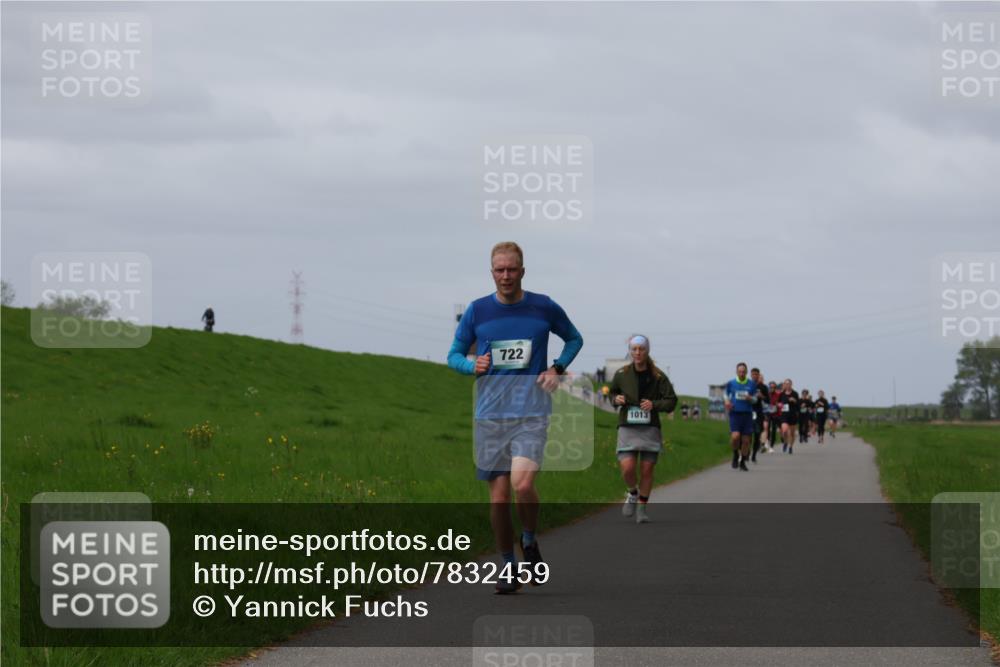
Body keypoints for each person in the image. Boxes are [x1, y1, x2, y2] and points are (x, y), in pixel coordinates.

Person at [447, 242, 583, 594]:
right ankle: (508, 565)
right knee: (498, 498)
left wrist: (557, 368)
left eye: (511, 269)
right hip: (490, 416)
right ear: (491, 272)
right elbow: (454, 354)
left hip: (531, 411)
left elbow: (574, 338)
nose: (505, 276)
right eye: (499, 270)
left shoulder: (543, 306)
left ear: (523, 271)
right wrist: (469, 364)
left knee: (522, 485)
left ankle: (530, 539)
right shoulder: (477, 312)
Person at [610, 335, 678, 524]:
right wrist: (616, 400)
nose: (638, 353)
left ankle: (642, 508)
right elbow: (612, 392)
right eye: (634, 349)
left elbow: (671, 401)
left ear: (647, 351)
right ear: (630, 351)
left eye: (641, 349)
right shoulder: (622, 374)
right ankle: (632, 492)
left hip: (649, 429)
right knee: (627, 468)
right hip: (627, 426)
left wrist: (654, 404)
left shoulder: (658, 376)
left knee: (647, 470)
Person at [724, 362, 757, 471]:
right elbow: (725, 395)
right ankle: (735, 455)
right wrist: (727, 401)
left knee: (746, 441)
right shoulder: (731, 383)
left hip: (747, 414)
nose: (742, 373)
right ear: (736, 372)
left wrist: (750, 399)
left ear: (746, 372)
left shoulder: (752, 384)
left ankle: (742, 461)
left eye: (743, 371)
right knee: (735, 437)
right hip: (735, 413)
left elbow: (756, 399)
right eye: (740, 371)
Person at [749, 368, 768, 462]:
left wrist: (762, 396)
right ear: (750, 375)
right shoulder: (747, 385)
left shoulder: (763, 387)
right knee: (748, 434)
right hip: (748, 411)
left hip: (758, 412)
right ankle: (747, 452)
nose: (755, 376)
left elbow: (768, 400)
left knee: (757, 434)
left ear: (759, 375)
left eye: (756, 374)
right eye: (753, 374)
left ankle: (754, 455)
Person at [778, 379, 799, 454]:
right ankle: (785, 442)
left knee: (792, 433)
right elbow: (778, 403)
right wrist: (779, 405)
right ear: (784, 385)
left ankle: (790, 447)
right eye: (786, 384)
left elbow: (798, 405)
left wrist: (794, 401)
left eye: (789, 384)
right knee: (784, 431)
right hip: (784, 415)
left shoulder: (795, 393)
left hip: (792, 415)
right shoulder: (781, 394)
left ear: (791, 384)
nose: (787, 385)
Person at [766, 380, 780, 453]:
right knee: (767, 428)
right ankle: (767, 442)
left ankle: (772, 446)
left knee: (774, 429)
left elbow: (781, 403)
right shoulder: (767, 394)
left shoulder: (778, 395)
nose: (772, 388)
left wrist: (778, 405)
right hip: (767, 413)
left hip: (775, 414)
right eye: (771, 387)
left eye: (774, 387)